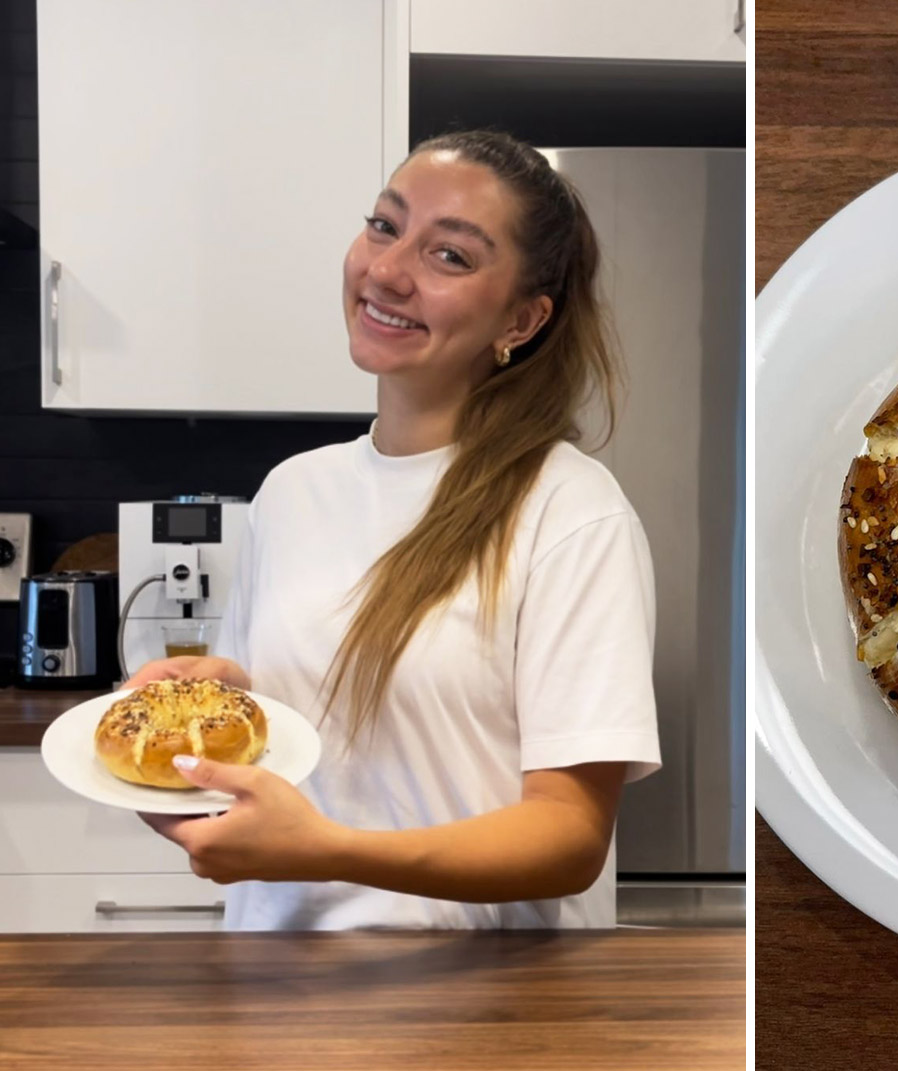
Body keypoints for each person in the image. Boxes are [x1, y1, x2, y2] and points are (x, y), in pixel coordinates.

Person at [126, 129, 661, 929]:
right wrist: (216, 693)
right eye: (385, 225)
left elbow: (570, 835)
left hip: (483, 991)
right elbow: (291, 731)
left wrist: (330, 850)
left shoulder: (571, 511)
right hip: (276, 974)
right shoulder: (290, 491)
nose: (385, 271)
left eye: (450, 255)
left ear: (522, 319)